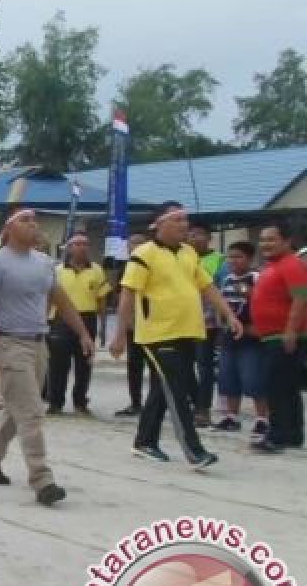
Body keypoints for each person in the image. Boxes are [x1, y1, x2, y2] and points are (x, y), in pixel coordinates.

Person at [0, 207, 91, 506]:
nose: (33, 225)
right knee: (32, 411)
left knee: (17, 407)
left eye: (35, 221)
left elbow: (61, 300)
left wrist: (83, 333)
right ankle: (42, 478)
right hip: (10, 344)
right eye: (25, 220)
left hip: (39, 343)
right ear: (8, 229)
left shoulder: (45, 263)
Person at [110, 202, 242, 471]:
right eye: (178, 219)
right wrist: (120, 334)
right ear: (159, 224)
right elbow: (128, 294)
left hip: (187, 331)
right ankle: (194, 451)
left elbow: (207, 287)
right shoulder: (144, 254)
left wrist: (229, 315)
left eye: (186, 220)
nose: (184, 225)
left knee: (163, 388)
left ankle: (144, 442)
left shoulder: (188, 253)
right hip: (158, 335)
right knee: (177, 391)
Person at [252, 222, 307, 451]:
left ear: (287, 241)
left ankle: (277, 435)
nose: (265, 244)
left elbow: (301, 297)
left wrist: (291, 330)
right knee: (286, 386)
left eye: (271, 239)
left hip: (282, 335)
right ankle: (291, 435)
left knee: (277, 387)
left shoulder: (291, 264)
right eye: (263, 239)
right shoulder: (273, 265)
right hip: (272, 336)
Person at [213, 241, 272, 448]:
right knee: (228, 377)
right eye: (230, 257)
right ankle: (231, 417)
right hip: (230, 336)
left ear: (250, 259)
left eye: (238, 257)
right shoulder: (227, 279)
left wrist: (256, 327)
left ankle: (262, 419)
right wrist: (222, 324)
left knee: (253, 377)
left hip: (251, 336)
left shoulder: (256, 278)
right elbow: (222, 304)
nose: (233, 261)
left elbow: (265, 304)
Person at [47, 230, 111, 415]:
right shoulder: (57, 270)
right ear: (69, 248)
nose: (82, 247)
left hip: (88, 317)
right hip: (60, 320)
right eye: (77, 244)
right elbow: (49, 297)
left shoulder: (97, 270)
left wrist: (103, 325)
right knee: (58, 364)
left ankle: (80, 401)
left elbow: (102, 299)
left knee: (85, 363)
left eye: (85, 244)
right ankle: (55, 402)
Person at [188, 222, 225, 426]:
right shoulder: (183, 257)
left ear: (209, 237)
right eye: (191, 235)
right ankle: (192, 403)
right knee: (184, 366)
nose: (194, 238)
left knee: (205, 367)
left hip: (208, 323)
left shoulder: (220, 260)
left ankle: (203, 409)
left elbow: (221, 289)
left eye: (199, 234)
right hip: (182, 321)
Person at [114, 233, 151, 417]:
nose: (135, 246)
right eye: (132, 243)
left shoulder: (153, 265)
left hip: (153, 325)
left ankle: (157, 403)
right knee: (134, 365)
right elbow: (121, 297)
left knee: (156, 367)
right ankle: (136, 402)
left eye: (140, 243)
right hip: (133, 325)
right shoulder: (125, 268)